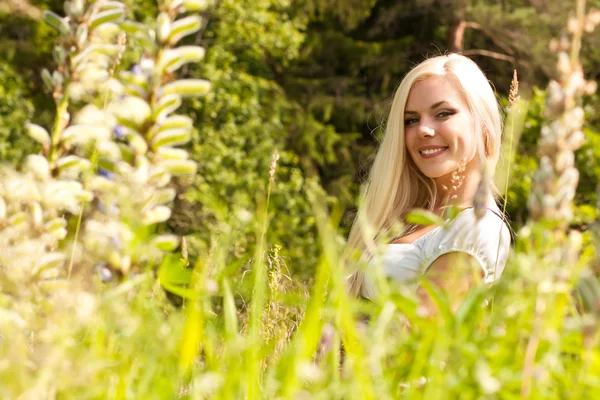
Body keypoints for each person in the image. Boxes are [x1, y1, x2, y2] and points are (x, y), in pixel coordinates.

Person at [345, 53, 511, 301]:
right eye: (411, 120)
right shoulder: (402, 214)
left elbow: (427, 331)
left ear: (483, 126)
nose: (423, 129)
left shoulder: (476, 227)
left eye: (443, 113)